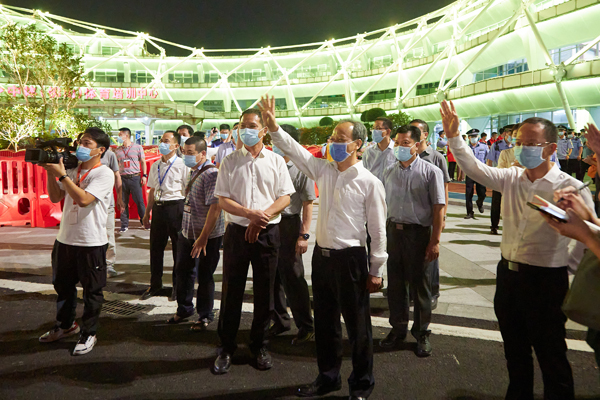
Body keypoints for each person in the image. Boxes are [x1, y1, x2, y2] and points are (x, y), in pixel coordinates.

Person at [441, 100, 594, 400]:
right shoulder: (511, 177)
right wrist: (454, 137)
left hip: (547, 281)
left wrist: (565, 265)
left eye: (531, 144)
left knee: (551, 354)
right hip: (508, 277)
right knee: (515, 351)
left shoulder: (572, 187)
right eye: (519, 142)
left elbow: (587, 234)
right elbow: (474, 168)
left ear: (551, 148)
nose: (522, 149)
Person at [261, 96, 387, 399]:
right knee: (326, 323)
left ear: (357, 144)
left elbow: (378, 230)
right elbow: (295, 151)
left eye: (339, 139)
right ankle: (328, 377)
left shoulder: (369, 182)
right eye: (332, 138)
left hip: (351, 260)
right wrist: (274, 128)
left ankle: (361, 383)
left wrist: (376, 270)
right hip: (323, 258)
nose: (332, 143)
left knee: (358, 327)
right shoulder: (324, 170)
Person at [213, 108, 295, 374]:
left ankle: (259, 345)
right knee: (231, 291)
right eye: (242, 126)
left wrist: (262, 217)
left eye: (251, 126)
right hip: (237, 233)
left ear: (263, 130)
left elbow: (285, 197)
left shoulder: (276, 161)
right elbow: (223, 199)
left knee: (265, 292)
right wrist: (249, 214)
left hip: (267, 234)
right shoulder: (229, 161)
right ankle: (226, 347)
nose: (245, 130)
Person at [38, 127, 115, 355]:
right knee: (63, 287)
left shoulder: (104, 173)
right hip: (65, 239)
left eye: (87, 143)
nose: (81, 147)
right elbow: (56, 197)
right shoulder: (73, 169)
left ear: (100, 150)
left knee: (92, 291)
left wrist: (62, 176)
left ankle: (89, 333)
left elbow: (84, 200)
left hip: (91, 242)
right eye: (80, 142)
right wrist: (51, 173)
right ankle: (66, 326)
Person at [379, 125, 445, 357]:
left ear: (417, 145)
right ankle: (397, 329)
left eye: (405, 143)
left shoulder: (431, 172)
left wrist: (435, 241)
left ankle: (421, 333)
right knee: (396, 285)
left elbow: (438, 208)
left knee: (420, 287)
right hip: (394, 233)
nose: (400, 147)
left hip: (418, 234)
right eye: (397, 143)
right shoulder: (389, 171)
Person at [169, 136, 225, 330]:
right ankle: (184, 308)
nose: (186, 156)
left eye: (190, 153)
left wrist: (203, 238)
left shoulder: (211, 174)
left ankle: (205, 315)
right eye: (184, 152)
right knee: (183, 272)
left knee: (205, 275)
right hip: (187, 232)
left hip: (207, 236)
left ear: (203, 153)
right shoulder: (193, 171)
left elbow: (215, 208)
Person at [268, 124, 316, 345]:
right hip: (269, 223)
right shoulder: (269, 163)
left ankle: (306, 326)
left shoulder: (301, 168)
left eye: (278, 141)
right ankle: (280, 320)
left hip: (289, 224)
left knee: (294, 277)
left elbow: (308, 203)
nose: (274, 145)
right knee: (272, 275)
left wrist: (303, 235)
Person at [140, 131, 189, 301]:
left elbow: (187, 190)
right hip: (159, 209)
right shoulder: (156, 165)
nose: (162, 144)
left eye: (166, 141)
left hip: (176, 207)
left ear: (176, 146)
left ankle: (177, 286)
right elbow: (152, 189)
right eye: (161, 140)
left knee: (178, 250)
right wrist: (147, 212)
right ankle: (155, 285)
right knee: (155, 248)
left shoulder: (183, 165)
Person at [410, 119, 450, 310]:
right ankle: (414, 291)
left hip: (430, 215)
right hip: (412, 216)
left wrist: (443, 216)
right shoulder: (407, 155)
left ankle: (433, 292)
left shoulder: (436, 157)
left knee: (431, 256)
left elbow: (445, 188)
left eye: (416, 131)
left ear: (425, 135)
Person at [115, 127, 147, 233]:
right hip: (122, 178)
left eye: (120, 135)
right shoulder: (117, 150)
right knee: (123, 202)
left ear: (126, 135)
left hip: (135, 177)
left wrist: (144, 175)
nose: (119, 137)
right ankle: (124, 225)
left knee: (139, 201)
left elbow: (143, 161)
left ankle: (144, 222)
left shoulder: (138, 147)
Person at [486, 125, 514, 235]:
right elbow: (490, 161)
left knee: (511, 204)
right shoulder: (497, 145)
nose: (512, 136)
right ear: (505, 134)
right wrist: (490, 177)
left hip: (512, 179)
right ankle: (494, 226)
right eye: (511, 133)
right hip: (499, 177)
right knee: (496, 203)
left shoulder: (517, 146)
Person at [362, 117, 396, 182]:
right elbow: (364, 172)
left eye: (377, 128)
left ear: (388, 131)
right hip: (372, 187)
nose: (374, 131)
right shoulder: (368, 151)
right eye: (373, 128)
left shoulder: (396, 150)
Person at [464, 128, 488, 219]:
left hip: (480, 172)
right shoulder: (465, 148)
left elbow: (487, 158)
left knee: (482, 192)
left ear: (478, 136)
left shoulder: (484, 146)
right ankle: (469, 212)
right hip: (470, 172)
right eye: (472, 136)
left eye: (475, 136)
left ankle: (479, 202)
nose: (474, 138)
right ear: (469, 138)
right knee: (468, 193)